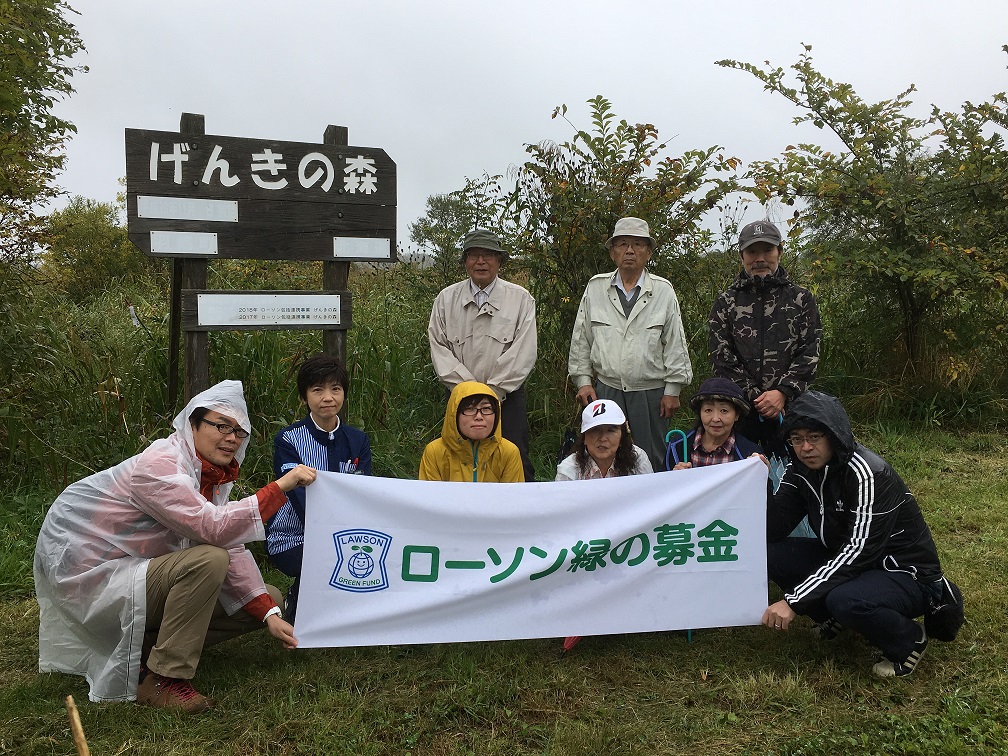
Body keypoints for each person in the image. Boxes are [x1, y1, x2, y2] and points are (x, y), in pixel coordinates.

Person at [34, 380, 317, 712]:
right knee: (208, 560)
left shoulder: (209, 474)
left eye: (239, 432)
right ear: (192, 424)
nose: (231, 437)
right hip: (95, 583)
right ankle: (164, 678)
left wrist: (268, 614)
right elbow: (213, 528)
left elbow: (231, 541)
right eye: (221, 426)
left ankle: (143, 650)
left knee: (268, 598)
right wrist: (281, 487)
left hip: (136, 576)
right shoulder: (162, 464)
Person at [762, 390, 949, 678]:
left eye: (814, 437)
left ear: (834, 436)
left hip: (904, 572)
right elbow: (774, 530)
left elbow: (858, 553)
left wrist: (794, 601)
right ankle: (834, 618)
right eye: (796, 439)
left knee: (846, 600)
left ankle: (908, 639)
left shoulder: (868, 473)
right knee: (771, 555)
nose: (805, 447)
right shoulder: (798, 470)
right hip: (847, 560)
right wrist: (760, 484)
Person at [568, 217, 693, 471]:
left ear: (648, 252)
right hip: (607, 388)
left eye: (637, 244)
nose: (630, 251)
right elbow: (581, 338)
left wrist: (673, 389)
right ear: (613, 252)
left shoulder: (663, 291)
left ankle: (658, 506)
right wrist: (583, 381)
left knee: (654, 455)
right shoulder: (596, 287)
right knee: (604, 454)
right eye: (622, 244)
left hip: (651, 391)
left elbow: (674, 343)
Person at [266, 354, 372, 625]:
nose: (328, 397)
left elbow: (364, 491)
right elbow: (297, 496)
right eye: (318, 390)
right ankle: (296, 610)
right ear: (304, 397)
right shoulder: (288, 440)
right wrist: (327, 534)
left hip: (347, 533)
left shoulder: (358, 440)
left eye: (335, 389)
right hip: (292, 535)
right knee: (324, 558)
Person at [428, 229, 537, 480]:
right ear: (465, 261)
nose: (481, 261)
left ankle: (518, 515)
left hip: (506, 397)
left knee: (515, 456)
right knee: (456, 457)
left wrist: (492, 394)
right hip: (458, 398)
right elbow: (440, 349)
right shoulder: (445, 300)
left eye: (488, 255)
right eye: (474, 255)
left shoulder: (520, 300)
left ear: (499, 261)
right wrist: (468, 395)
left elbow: (523, 352)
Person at [708, 220, 821, 453]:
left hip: (790, 406)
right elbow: (720, 355)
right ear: (741, 255)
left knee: (793, 473)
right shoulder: (726, 301)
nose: (760, 258)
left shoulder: (801, 299)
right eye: (752, 251)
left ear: (779, 251)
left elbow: (809, 351)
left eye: (767, 250)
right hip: (740, 408)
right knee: (743, 474)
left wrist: (782, 393)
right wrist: (755, 397)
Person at [419, 381, 524, 482]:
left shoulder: (509, 452)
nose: (479, 416)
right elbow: (429, 498)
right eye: (469, 409)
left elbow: (512, 498)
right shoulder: (434, 452)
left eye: (486, 408)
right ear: (454, 414)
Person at [666, 377, 760, 470]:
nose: (715, 419)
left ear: (737, 415)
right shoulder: (678, 445)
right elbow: (662, 482)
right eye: (708, 410)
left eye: (724, 410)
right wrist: (674, 476)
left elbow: (761, 484)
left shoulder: (750, 453)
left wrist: (761, 471)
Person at [556, 399, 653, 480]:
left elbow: (650, 496)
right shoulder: (568, 470)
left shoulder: (638, 459)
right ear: (584, 438)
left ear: (622, 436)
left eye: (611, 430)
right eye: (595, 431)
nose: (603, 438)